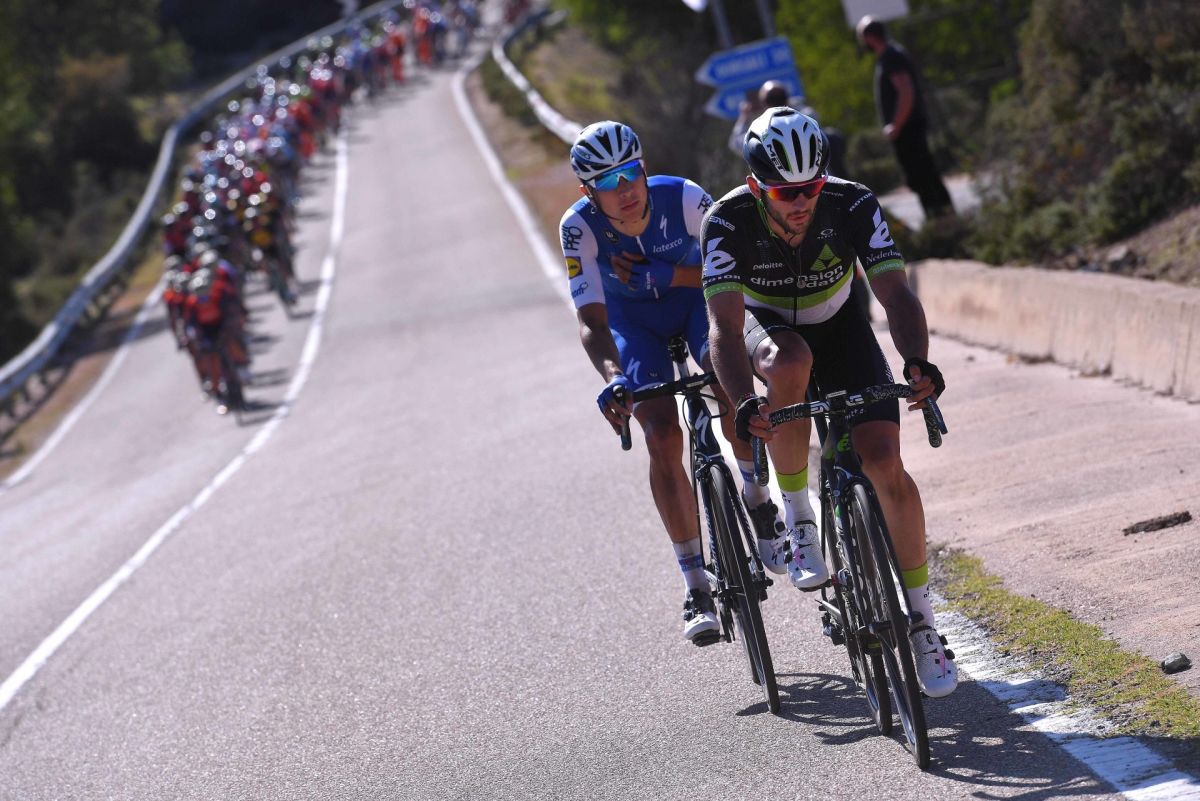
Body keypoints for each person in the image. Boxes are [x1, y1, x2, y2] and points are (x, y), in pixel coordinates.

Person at [701, 107, 958, 697]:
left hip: (841, 328)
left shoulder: (852, 202)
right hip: (766, 329)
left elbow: (895, 293)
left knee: (885, 462)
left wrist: (917, 363)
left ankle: (923, 623)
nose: (800, 202)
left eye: (810, 188)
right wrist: (742, 401)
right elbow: (723, 328)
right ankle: (798, 518)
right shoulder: (726, 221)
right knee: (788, 361)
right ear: (756, 187)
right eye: (785, 193)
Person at [561, 120, 788, 644]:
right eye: (607, 181)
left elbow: (736, 270)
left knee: (728, 383)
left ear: (643, 168)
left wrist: (669, 276)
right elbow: (592, 321)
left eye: (629, 173)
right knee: (661, 434)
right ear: (588, 192)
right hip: (632, 324)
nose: (624, 188)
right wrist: (613, 377)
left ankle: (759, 501)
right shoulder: (578, 228)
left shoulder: (684, 198)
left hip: (695, 304)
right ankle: (695, 585)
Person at [856, 16, 954, 221]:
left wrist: (896, 125)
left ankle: (940, 218)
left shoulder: (892, 56)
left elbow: (905, 90)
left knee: (922, 175)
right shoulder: (890, 55)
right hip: (907, 128)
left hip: (908, 129)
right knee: (922, 174)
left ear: (869, 37)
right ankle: (941, 217)